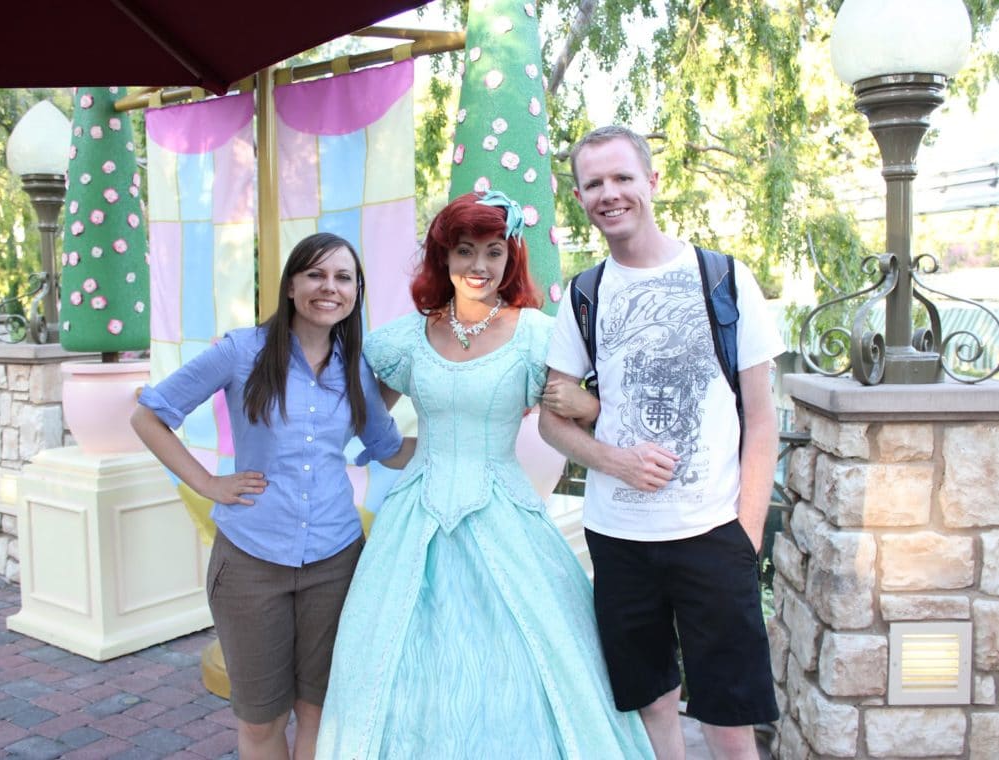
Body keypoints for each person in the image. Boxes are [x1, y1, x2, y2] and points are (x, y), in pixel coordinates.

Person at [316, 191, 654, 759]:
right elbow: (362, 420)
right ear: (443, 258)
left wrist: (589, 406)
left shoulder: (538, 336)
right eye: (464, 251)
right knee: (400, 662)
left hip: (505, 516)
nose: (478, 266)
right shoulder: (406, 339)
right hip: (414, 518)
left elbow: (580, 412)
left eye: (493, 252)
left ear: (510, 257)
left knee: (520, 664)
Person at [538, 125, 784, 760]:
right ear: (579, 196)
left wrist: (745, 535)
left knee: (730, 711)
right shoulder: (584, 297)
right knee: (650, 700)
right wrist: (613, 458)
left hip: (713, 533)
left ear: (652, 181)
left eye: (622, 178)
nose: (609, 193)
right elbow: (550, 419)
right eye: (594, 183)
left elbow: (762, 418)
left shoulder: (725, 280)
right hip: (619, 539)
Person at [130, 232, 412, 760]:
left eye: (343, 277)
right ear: (290, 285)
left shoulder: (357, 368)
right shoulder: (242, 352)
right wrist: (208, 484)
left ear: (356, 292)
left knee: (320, 715)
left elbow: (388, 447)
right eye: (316, 275)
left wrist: (469, 436)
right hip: (250, 565)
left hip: (336, 561)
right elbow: (149, 415)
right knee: (262, 723)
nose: (329, 288)